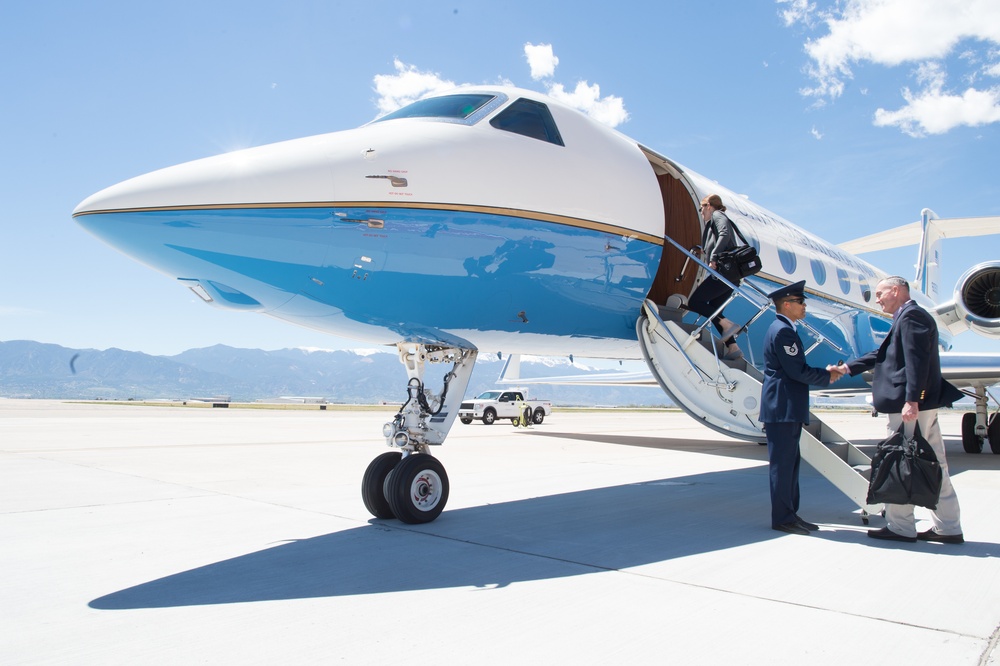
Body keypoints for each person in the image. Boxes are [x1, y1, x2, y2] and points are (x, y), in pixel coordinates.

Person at [829, 276, 964, 544]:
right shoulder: (908, 317)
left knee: (900, 462)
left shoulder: (912, 317)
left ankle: (901, 527)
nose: (876, 299)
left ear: (896, 290)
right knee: (934, 464)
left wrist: (912, 400)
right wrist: (847, 368)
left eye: (880, 293)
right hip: (918, 405)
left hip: (910, 407)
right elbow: (883, 353)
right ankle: (949, 528)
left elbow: (917, 361)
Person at [760, 280, 840, 535]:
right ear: (786, 304)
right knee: (782, 466)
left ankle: (790, 514)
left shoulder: (786, 329)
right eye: (800, 302)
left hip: (786, 407)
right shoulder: (782, 331)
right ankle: (783, 518)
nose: (804, 306)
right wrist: (827, 376)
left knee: (790, 465)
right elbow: (796, 371)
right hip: (782, 407)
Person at [687, 194, 742, 360]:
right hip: (732, 276)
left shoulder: (718, 215)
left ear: (709, 206)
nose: (701, 213)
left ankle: (728, 324)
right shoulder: (714, 222)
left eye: (701, 208)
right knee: (715, 310)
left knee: (695, 302)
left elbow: (724, 234)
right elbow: (720, 239)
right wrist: (704, 251)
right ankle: (733, 348)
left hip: (724, 273)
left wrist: (713, 258)